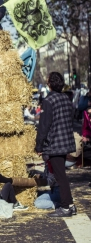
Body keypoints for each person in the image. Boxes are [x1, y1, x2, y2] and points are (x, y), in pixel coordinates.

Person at [36, 71, 77, 217]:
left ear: (50, 84)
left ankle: (66, 207)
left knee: (60, 177)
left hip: (54, 143)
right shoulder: (67, 99)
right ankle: (70, 204)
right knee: (61, 175)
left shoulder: (48, 101)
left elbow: (44, 125)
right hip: (65, 141)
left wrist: (39, 146)